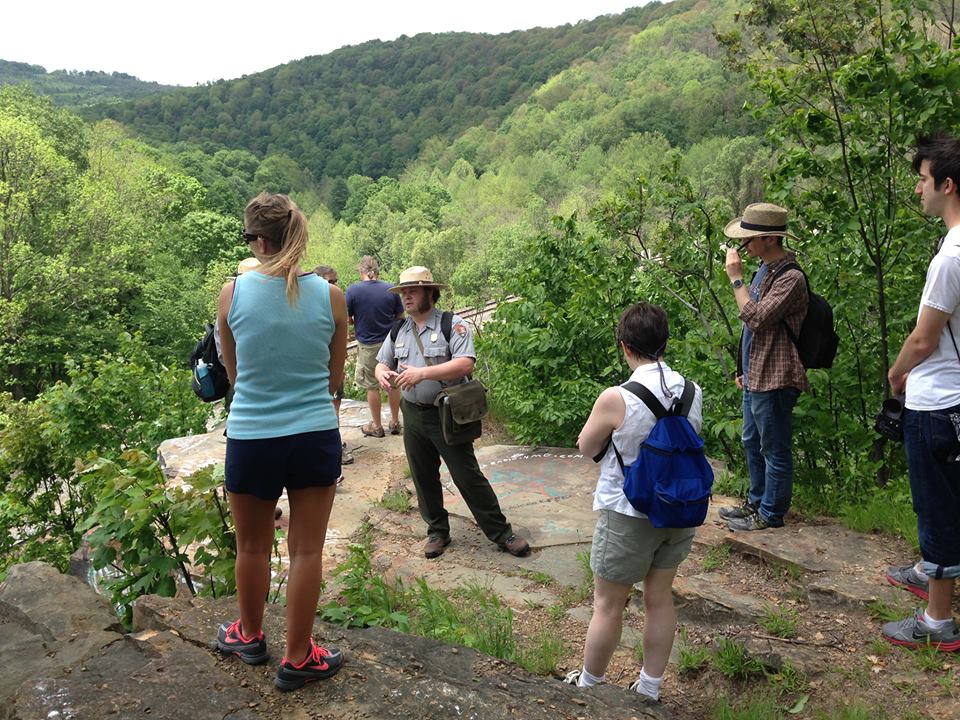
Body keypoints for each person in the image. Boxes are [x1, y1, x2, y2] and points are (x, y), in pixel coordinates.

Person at [215, 193, 349, 690]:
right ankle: (298, 657)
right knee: (307, 551)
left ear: (261, 240)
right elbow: (335, 378)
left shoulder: (233, 293)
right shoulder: (332, 297)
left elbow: (233, 371)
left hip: (252, 434)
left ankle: (248, 635)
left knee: (250, 545)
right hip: (314, 433)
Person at [566, 302, 702, 700]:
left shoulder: (616, 397)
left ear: (624, 346)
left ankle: (589, 686)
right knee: (659, 598)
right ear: (665, 341)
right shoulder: (692, 391)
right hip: (680, 508)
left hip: (629, 512)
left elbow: (587, 447)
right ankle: (649, 688)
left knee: (608, 605)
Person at [374, 266, 529, 559]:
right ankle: (437, 532)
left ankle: (501, 533)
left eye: (412, 291)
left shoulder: (451, 325)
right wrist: (382, 372)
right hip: (413, 413)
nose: (406, 297)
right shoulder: (399, 329)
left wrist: (423, 374)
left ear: (430, 292)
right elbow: (382, 362)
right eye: (403, 292)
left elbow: (465, 364)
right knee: (423, 476)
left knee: (466, 475)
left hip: (446, 413)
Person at [882, 133, 960, 652]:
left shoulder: (949, 258)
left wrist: (895, 374)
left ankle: (937, 622)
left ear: (947, 185)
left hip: (936, 401)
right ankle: (927, 570)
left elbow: (924, 338)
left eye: (923, 180)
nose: (918, 189)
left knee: (937, 506)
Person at [719, 203, 809, 531]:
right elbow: (748, 326)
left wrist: (736, 279)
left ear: (771, 239)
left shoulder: (791, 278)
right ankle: (755, 503)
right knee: (750, 442)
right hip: (755, 373)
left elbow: (755, 318)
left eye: (750, 239)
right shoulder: (764, 270)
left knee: (774, 448)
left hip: (776, 375)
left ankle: (771, 514)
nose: (744, 245)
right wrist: (741, 368)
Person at [345, 255, 403, 438]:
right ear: (377, 271)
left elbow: (347, 319)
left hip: (368, 345)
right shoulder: (390, 289)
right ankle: (395, 423)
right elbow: (401, 317)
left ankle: (377, 426)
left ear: (361, 271)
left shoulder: (353, 291)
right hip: (390, 343)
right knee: (393, 383)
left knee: (372, 386)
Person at [314, 264, 353, 475]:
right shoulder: (313, 304)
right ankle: (334, 449)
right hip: (318, 371)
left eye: (336, 281)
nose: (335, 286)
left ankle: (336, 447)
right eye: (330, 282)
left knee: (335, 408)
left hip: (333, 368)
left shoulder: (336, 302)